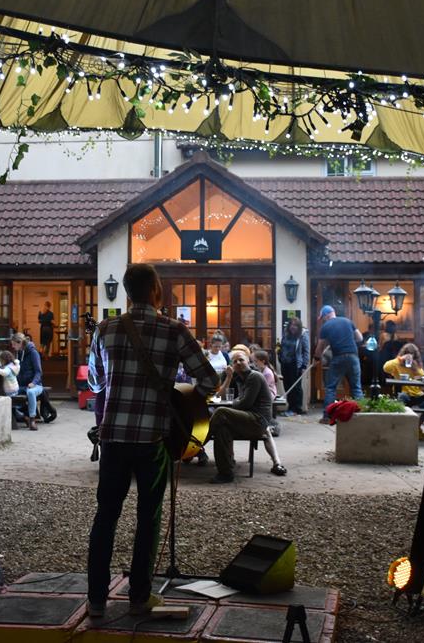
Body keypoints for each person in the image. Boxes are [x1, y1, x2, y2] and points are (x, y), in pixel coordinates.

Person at [86, 264, 218, 619]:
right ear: (157, 291)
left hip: (113, 437)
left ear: (127, 292)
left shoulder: (105, 329)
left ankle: (96, 600)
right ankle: (139, 597)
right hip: (152, 439)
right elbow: (209, 380)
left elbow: (96, 382)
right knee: (149, 516)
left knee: (106, 516)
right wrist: (175, 395)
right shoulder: (173, 330)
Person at [208, 350, 278, 483]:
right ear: (232, 366)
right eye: (235, 361)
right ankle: (226, 473)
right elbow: (220, 397)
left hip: (257, 422)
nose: (238, 363)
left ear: (248, 362)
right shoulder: (240, 378)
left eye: (241, 360)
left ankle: (200, 442)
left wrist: (236, 402)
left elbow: (244, 403)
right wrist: (229, 380)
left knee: (221, 412)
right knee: (222, 430)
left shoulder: (254, 376)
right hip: (247, 420)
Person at [315, 304, 363, 411]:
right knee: (356, 388)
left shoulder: (326, 326)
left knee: (331, 388)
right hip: (353, 356)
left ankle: (327, 417)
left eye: (323, 318)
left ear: (326, 316)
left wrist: (317, 358)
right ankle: (362, 415)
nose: (323, 320)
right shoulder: (348, 321)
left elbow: (320, 346)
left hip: (338, 357)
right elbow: (360, 338)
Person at [384, 343, 424, 416]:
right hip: (402, 392)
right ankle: (402, 420)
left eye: (411, 354)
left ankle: (422, 421)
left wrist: (414, 367)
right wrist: (400, 359)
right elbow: (386, 368)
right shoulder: (397, 363)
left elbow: (422, 377)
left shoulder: (416, 364)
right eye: (406, 353)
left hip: (417, 394)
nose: (409, 356)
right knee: (402, 397)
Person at [278, 317, 310, 416]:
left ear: (299, 327)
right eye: (291, 325)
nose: (293, 327)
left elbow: (306, 351)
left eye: (295, 325)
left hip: (296, 365)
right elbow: (281, 346)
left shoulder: (303, 335)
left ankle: (297, 409)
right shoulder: (286, 334)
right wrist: (279, 355)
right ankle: (290, 407)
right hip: (285, 364)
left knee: (295, 387)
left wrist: (304, 365)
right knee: (287, 386)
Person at [11, 332, 44, 423]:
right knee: (9, 393)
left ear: (20, 343)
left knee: (30, 393)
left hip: (35, 385)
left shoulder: (33, 353)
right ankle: (21, 416)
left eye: (14, 344)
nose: (13, 347)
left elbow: (38, 371)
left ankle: (32, 418)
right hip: (21, 385)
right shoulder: (18, 353)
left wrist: (33, 382)